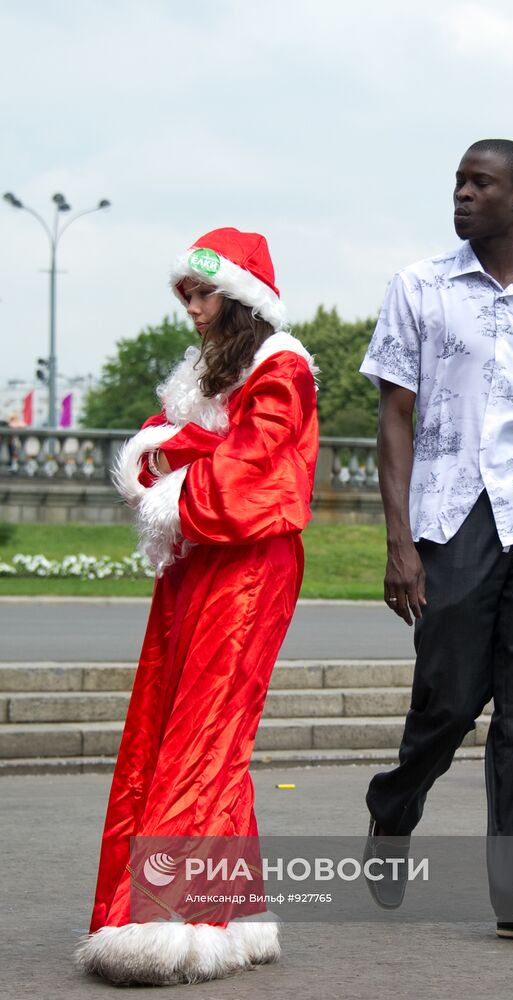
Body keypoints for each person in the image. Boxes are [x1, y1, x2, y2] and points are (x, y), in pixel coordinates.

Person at [359, 140, 513, 946]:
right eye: (458, 182)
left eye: (480, 183)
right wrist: (400, 542)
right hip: (452, 517)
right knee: (449, 701)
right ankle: (394, 802)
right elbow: (393, 418)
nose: (462, 194)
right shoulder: (419, 287)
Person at [74, 227, 319, 986]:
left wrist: (174, 460)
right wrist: (174, 450)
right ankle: (231, 911)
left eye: (204, 293)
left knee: (206, 728)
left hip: (248, 562)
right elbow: (169, 442)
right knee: (170, 721)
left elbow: (254, 469)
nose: (192, 308)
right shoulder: (206, 372)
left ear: (242, 298)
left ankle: (168, 920)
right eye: (186, 293)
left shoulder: (281, 367)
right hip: (195, 557)